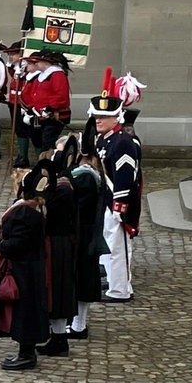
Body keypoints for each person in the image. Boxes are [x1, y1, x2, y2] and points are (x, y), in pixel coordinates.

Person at [0, 167, 51, 371]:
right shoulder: (35, 209)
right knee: (27, 310)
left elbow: (16, 244)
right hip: (31, 267)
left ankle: (26, 354)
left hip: (23, 269)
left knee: (24, 311)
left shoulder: (23, 212)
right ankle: (26, 352)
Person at [92, 80, 142, 302]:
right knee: (109, 245)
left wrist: (119, 207)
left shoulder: (123, 142)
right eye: (96, 117)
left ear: (116, 118)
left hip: (118, 202)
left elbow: (125, 178)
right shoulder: (106, 139)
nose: (98, 120)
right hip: (107, 200)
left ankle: (120, 290)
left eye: (103, 117)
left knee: (118, 248)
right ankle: (115, 284)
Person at [39, 148, 78, 358]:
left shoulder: (62, 190)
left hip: (58, 245)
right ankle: (57, 336)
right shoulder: (61, 187)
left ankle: (59, 338)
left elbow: (48, 214)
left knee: (58, 291)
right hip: (57, 243)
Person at [69, 129, 108, 339]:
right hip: (83, 233)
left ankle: (79, 325)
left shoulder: (85, 177)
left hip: (83, 236)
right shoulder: (87, 174)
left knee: (81, 280)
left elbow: (78, 208)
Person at [27, 50, 72, 156]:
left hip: (53, 116)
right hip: (42, 116)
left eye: (39, 61)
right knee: (40, 140)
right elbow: (36, 94)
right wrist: (32, 107)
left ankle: (47, 166)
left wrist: (50, 108)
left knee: (48, 143)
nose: (36, 63)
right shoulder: (43, 75)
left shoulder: (57, 75)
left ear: (46, 63)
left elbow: (61, 95)